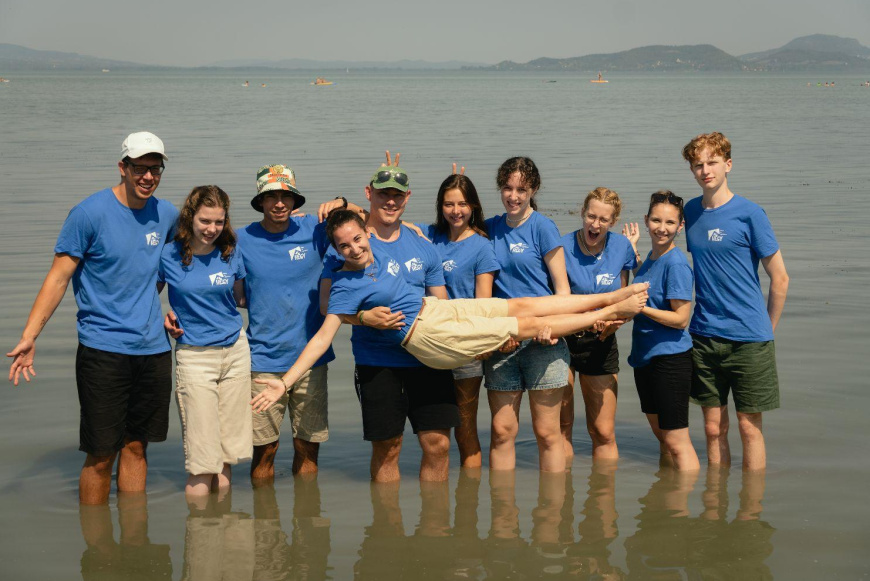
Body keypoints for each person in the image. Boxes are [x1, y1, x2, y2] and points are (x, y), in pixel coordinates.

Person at [251, 211, 649, 442]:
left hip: (436, 311)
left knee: (520, 303)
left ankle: (611, 297)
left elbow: (375, 211)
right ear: (335, 249)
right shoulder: (342, 285)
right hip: (426, 335)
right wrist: (284, 383)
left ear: (366, 231)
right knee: (525, 324)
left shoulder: (383, 244)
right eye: (345, 246)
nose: (355, 249)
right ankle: (608, 313)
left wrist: (401, 219)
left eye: (358, 239)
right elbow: (323, 337)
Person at [7, 131, 178, 504]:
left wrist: (292, 219)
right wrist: (30, 335)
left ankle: (134, 540)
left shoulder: (166, 214)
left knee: (137, 447)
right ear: (123, 167)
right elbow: (57, 277)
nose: (148, 176)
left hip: (153, 350)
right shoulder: (88, 214)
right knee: (101, 456)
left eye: (155, 168)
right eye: (139, 168)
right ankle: (98, 551)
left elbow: (193, 254)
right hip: (103, 350)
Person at [318, 156, 459, 483]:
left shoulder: (423, 245)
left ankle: (436, 528)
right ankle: (387, 528)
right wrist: (364, 318)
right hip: (377, 360)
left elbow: (443, 306)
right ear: (369, 194)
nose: (390, 201)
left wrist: (470, 340)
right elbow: (327, 306)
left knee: (437, 444)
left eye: (397, 195)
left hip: (428, 357)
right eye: (383, 194)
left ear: (408, 197)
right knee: (388, 447)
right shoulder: (349, 244)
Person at [682, 132, 789, 471]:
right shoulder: (691, 212)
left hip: (750, 340)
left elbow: (780, 278)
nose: (705, 170)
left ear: (728, 164)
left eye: (712, 162)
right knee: (713, 429)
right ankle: (714, 509)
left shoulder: (750, 214)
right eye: (698, 165)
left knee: (748, 427)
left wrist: (766, 329)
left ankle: (750, 516)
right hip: (704, 336)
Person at [238, 165, 349, 481]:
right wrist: (174, 308)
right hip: (262, 362)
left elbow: (363, 224)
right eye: (271, 196)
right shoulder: (241, 238)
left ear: (294, 199)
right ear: (260, 201)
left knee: (307, 449)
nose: (278, 204)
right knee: (265, 452)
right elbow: (201, 266)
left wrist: (340, 201)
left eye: (285, 196)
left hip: (310, 361)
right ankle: (265, 527)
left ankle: (309, 522)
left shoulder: (315, 230)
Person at [158, 185, 251, 496]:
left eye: (219, 222)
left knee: (227, 457)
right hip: (195, 356)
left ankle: (230, 534)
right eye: (205, 221)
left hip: (236, 351)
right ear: (190, 218)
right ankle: (201, 536)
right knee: (202, 462)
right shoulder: (169, 255)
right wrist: (164, 315)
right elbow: (146, 295)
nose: (212, 229)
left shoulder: (231, 252)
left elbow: (240, 298)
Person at [484, 157, 572, 473]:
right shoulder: (490, 228)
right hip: (503, 343)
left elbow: (563, 292)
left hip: (543, 344)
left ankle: (550, 515)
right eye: (507, 188)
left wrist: (552, 328)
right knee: (502, 432)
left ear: (533, 189)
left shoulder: (543, 227)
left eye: (521, 189)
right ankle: (503, 518)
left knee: (548, 433)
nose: (513, 196)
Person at [416, 169, 499, 468]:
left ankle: (468, 508)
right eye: (449, 204)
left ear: (473, 206)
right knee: (434, 433)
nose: (456, 211)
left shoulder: (481, 246)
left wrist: (479, 343)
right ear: (440, 206)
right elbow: (391, 224)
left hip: (466, 347)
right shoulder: (429, 236)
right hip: (429, 345)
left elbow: (484, 304)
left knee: (465, 429)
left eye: (462, 204)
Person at [558, 187, 637, 462]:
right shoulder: (561, 247)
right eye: (591, 216)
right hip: (563, 340)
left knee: (602, 431)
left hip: (602, 341)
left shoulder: (622, 247)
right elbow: (553, 298)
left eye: (603, 220)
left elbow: (624, 298)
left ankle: (602, 502)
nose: (595, 224)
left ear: (612, 222)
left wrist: (615, 323)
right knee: (562, 427)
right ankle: (562, 501)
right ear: (582, 213)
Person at [624, 191, 700, 471]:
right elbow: (647, 283)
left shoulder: (676, 263)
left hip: (671, 360)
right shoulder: (655, 260)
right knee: (663, 438)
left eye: (670, 223)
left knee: (677, 441)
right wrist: (633, 252)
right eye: (656, 220)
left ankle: (682, 507)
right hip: (646, 358)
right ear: (646, 221)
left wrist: (638, 309)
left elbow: (681, 319)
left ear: (680, 227)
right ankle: (667, 499)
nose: (662, 228)